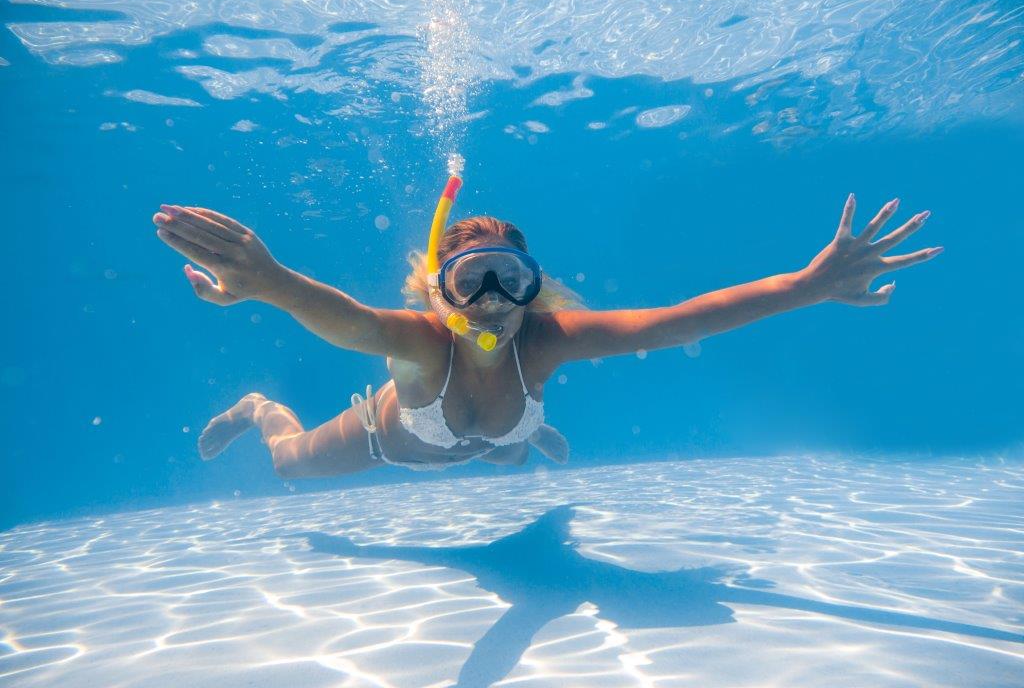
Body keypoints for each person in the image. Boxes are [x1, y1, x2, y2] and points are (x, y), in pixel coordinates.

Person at [153, 185, 941, 477]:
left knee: (508, 441)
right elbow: (351, 321)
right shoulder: (422, 343)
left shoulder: (547, 340)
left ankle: (525, 438)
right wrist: (274, 283)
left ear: (535, 290)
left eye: (511, 282)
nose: (493, 300)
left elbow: (676, 322)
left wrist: (807, 285)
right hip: (388, 441)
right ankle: (257, 407)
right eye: (471, 282)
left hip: (491, 431)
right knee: (290, 467)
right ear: (440, 294)